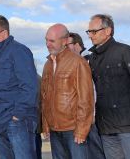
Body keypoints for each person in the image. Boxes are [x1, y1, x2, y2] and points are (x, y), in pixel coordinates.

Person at [0, 15, 38, 158]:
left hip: (16, 121)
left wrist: (17, 115)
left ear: (4, 32)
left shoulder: (19, 51)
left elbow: (29, 86)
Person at [87, 14, 130, 158]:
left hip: (129, 127)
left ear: (108, 31)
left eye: (94, 31)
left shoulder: (125, 52)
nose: (90, 35)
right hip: (105, 128)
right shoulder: (93, 58)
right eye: (89, 31)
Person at [41, 24, 94, 159]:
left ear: (64, 41)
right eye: (46, 40)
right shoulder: (47, 65)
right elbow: (45, 96)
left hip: (73, 130)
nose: (48, 44)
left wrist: (81, 130)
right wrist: (46, 124)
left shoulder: (78, 62)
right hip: (54, 130)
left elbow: (86, 99)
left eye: (52, 41)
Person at [68, 32, 106, 159]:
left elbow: (92, 90)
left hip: (91, 119)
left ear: (77, 45)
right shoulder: (69, 64)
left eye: (68, 45)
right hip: (74, 121)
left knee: (95, 153)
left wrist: (92, 115)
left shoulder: (89, 61)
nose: (65, 48)